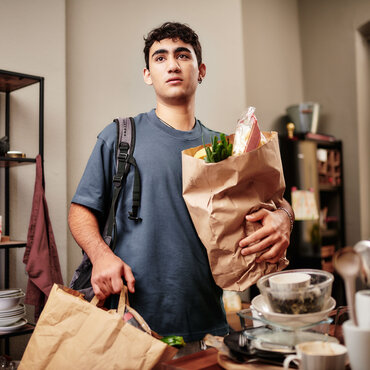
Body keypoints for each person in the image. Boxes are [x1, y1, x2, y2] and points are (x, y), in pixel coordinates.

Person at [68, 21, 293, 351]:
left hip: (206, 328)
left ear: (200, 70)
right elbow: (80, 211)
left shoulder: (227, 149)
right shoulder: (119, 137)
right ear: (147, 74)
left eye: (182, 56)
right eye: (160, 58)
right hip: (129, 324)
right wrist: (101, 256)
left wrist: (283, 219)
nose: (172, 65)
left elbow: (275, 202)